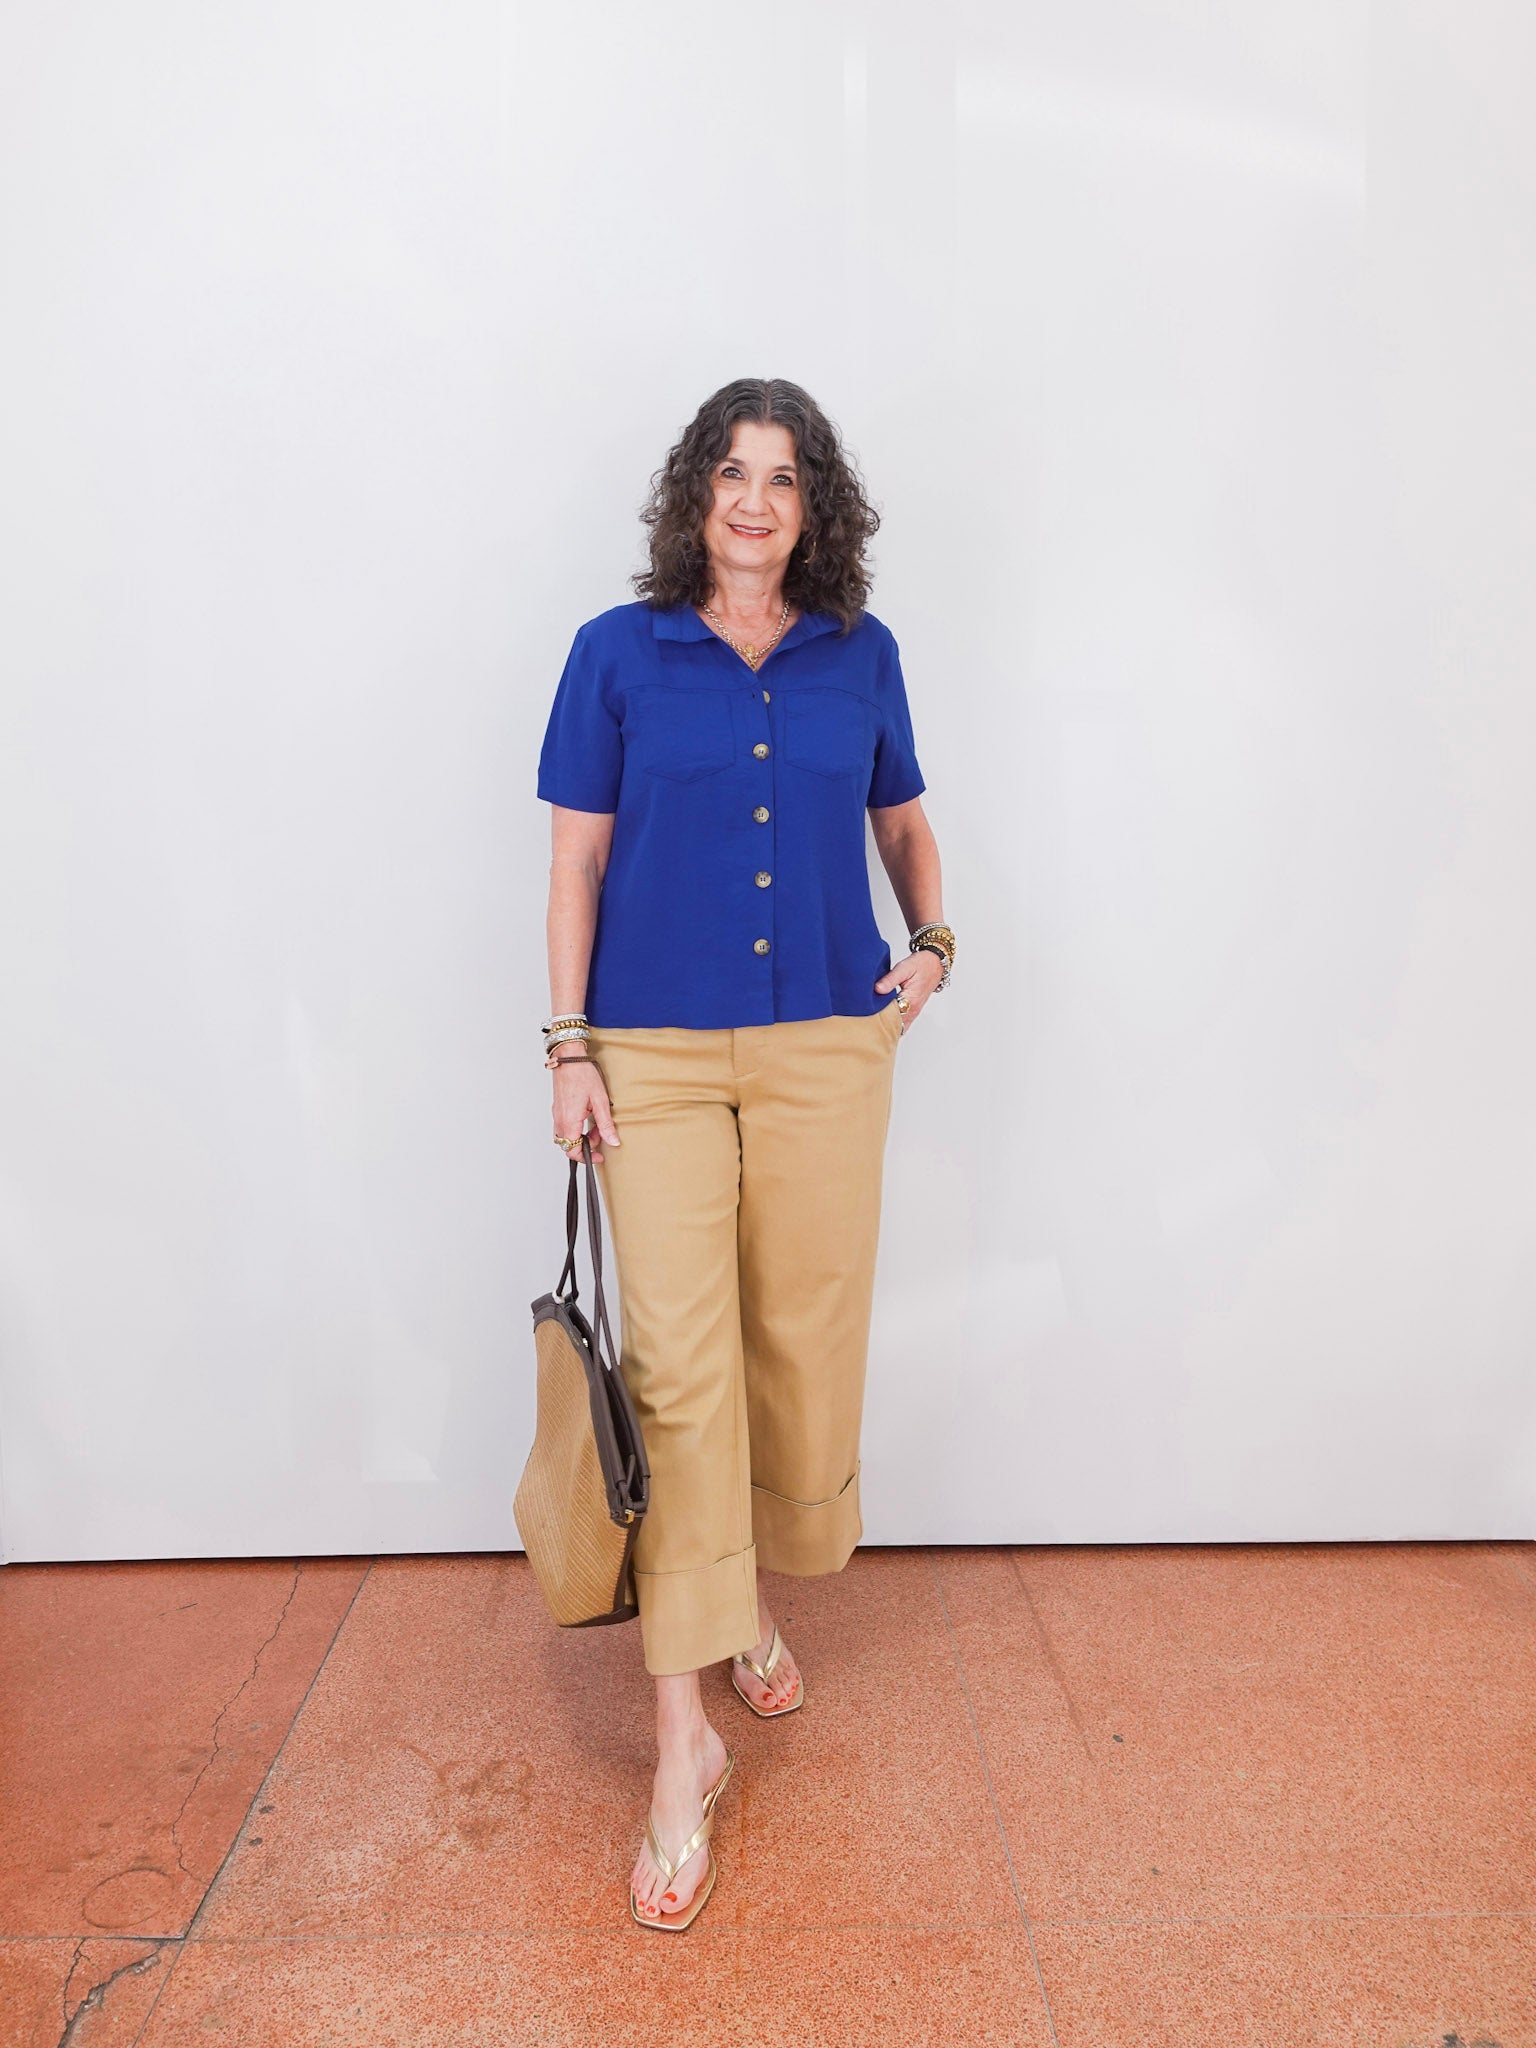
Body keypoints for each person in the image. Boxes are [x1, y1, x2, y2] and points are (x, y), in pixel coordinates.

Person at [536, 376, 954, 1931]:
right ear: (694, 498)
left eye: (783, 477)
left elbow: (903, 821)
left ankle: (750, 1601)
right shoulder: (615, 653)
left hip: (826, 1051)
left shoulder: (866, 656)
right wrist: (567, 1043)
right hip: (648, 1050)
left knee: (795, 1339)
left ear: (814, 504)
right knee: (680, 1372)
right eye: (731, 473)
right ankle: (679, 1744)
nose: (756, 501)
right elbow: (576, 858)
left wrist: (935, 938)